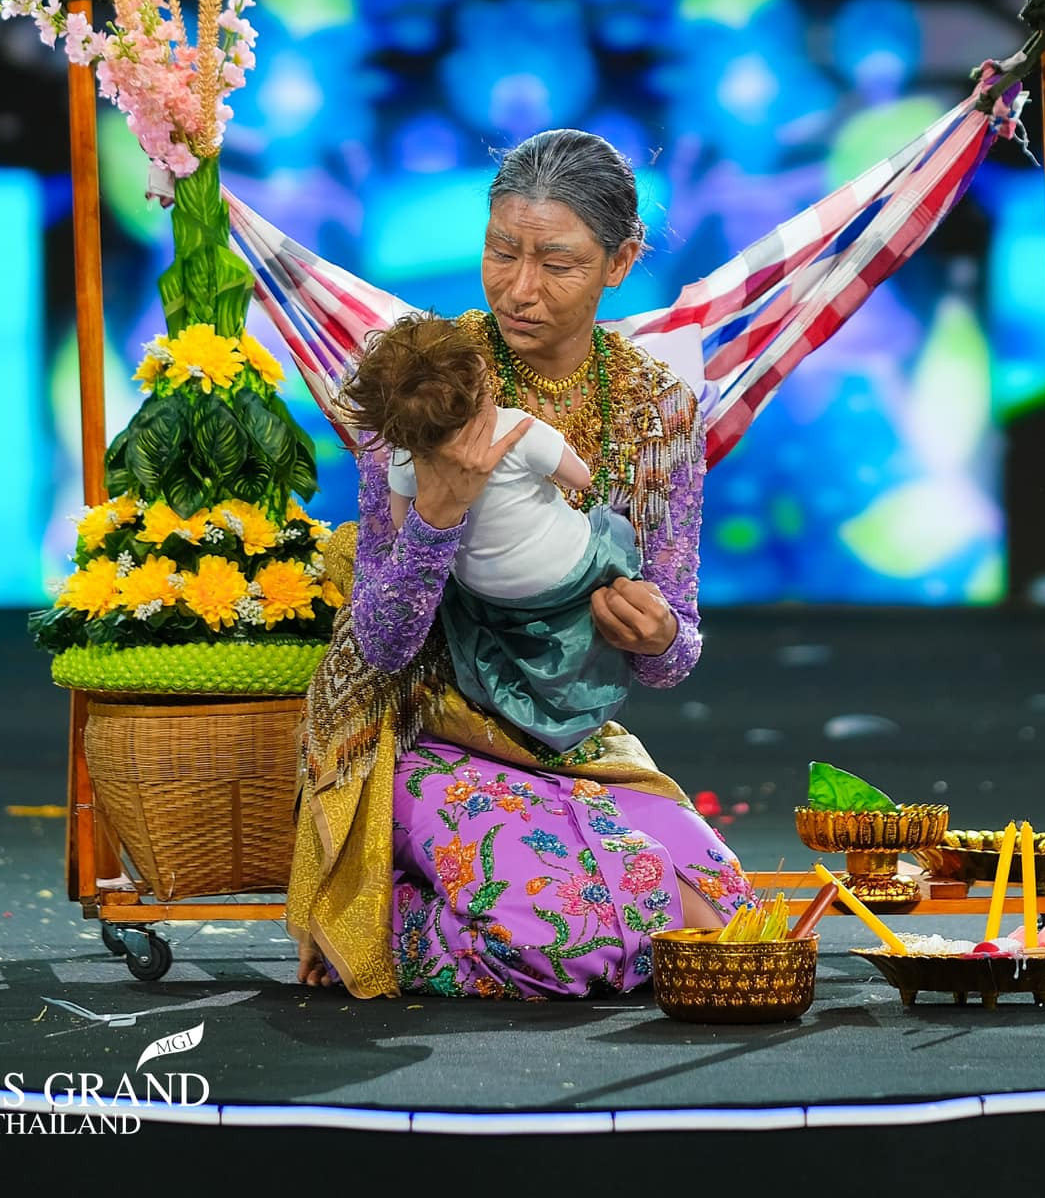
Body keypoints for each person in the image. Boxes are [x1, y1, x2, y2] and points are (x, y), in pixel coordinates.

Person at [288, 128, 756, 1000]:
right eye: (502, 252)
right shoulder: (422, 380)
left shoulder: (660, 411)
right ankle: (380, 917)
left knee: (721, 924)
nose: (521, 288)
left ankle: (500, 881)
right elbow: (383, 645)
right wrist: (439, 510)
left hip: (567, 733)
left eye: (557, 263)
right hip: (421, 726)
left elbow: (676, 649)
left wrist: (655, 636)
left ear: (620, 264)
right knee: (567, 946)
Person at [346, 310, 646, 752]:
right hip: (562, 585)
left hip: (485, 599)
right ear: (481, 379)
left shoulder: (401, 458)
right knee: (610, 525)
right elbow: (382, 650)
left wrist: (663, 640)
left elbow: (397, 523)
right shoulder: (519, 428)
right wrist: (444, 511)